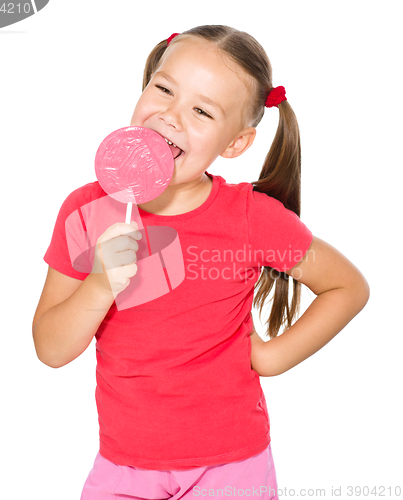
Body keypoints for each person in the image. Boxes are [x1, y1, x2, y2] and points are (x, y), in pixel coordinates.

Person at [32, 25, 370, 499]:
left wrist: (271, 358)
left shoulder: (252, 218)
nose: (171, 116)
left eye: (201, 111)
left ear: (235, 144)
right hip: (123, 464)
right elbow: (51, 349)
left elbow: (347, 287)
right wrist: (99, 284)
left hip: (232, 466)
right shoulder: (87, 211)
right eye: (164, 89)